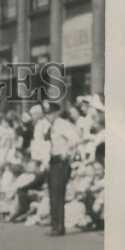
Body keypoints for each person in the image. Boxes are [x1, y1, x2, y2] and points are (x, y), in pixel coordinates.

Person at [44, 102, 79, 237]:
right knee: (53, 193)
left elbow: (75, 139)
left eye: (50, 113)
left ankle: (58, 227)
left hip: (60, 162)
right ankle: (56, 225)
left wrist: (66, 151)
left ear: (55, 113)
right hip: (53, 161)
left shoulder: (62, 124)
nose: (49, 116)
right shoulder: (51, 126)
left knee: (57, 194)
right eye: (47, 113)